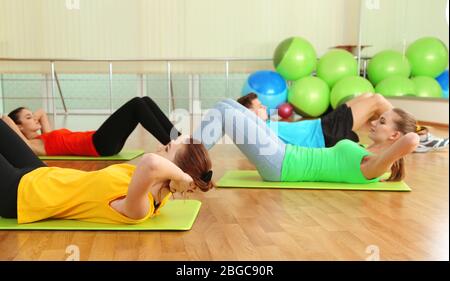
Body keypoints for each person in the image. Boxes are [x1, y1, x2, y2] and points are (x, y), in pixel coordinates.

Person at [0, 120, 213, 224]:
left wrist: (184, 178)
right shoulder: (150, 187)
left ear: (177, 171)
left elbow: (151, 163)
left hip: (19, 195)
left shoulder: (141, 206)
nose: (160, 146)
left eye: (167, 149)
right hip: (41, 175)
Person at [194, 98, 419, 183]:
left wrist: (416, 134)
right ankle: (185, 156)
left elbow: (411, 139)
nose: (373, 123)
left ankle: (186, 164)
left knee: (224, 114)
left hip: (283, 164)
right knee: (225, 106)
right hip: (284, 152)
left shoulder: (375, 164)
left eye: (381, 122)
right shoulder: (367, 150)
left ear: (394, 136)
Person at [237, 93, 449, 153]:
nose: (264, 107)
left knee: (368, 95)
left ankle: (413, 136)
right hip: (325, 134)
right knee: (376, 100)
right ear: (249, 114)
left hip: (323, 126)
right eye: (259, 106)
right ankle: (418, 137)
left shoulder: (267, 126)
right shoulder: (258, 129)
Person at [2, 96, 181, 156]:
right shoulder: (32, 146)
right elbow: (5, 118)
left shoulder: (44, 137)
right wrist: (17, 129)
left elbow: (42, 112)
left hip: (102, 141)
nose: (34, 119)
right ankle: (177, 147)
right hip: (98, 144)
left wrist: (30, 118)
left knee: (144, 101)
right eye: (28, 117)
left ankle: (180, 139)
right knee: (136, 104)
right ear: (18, 127)